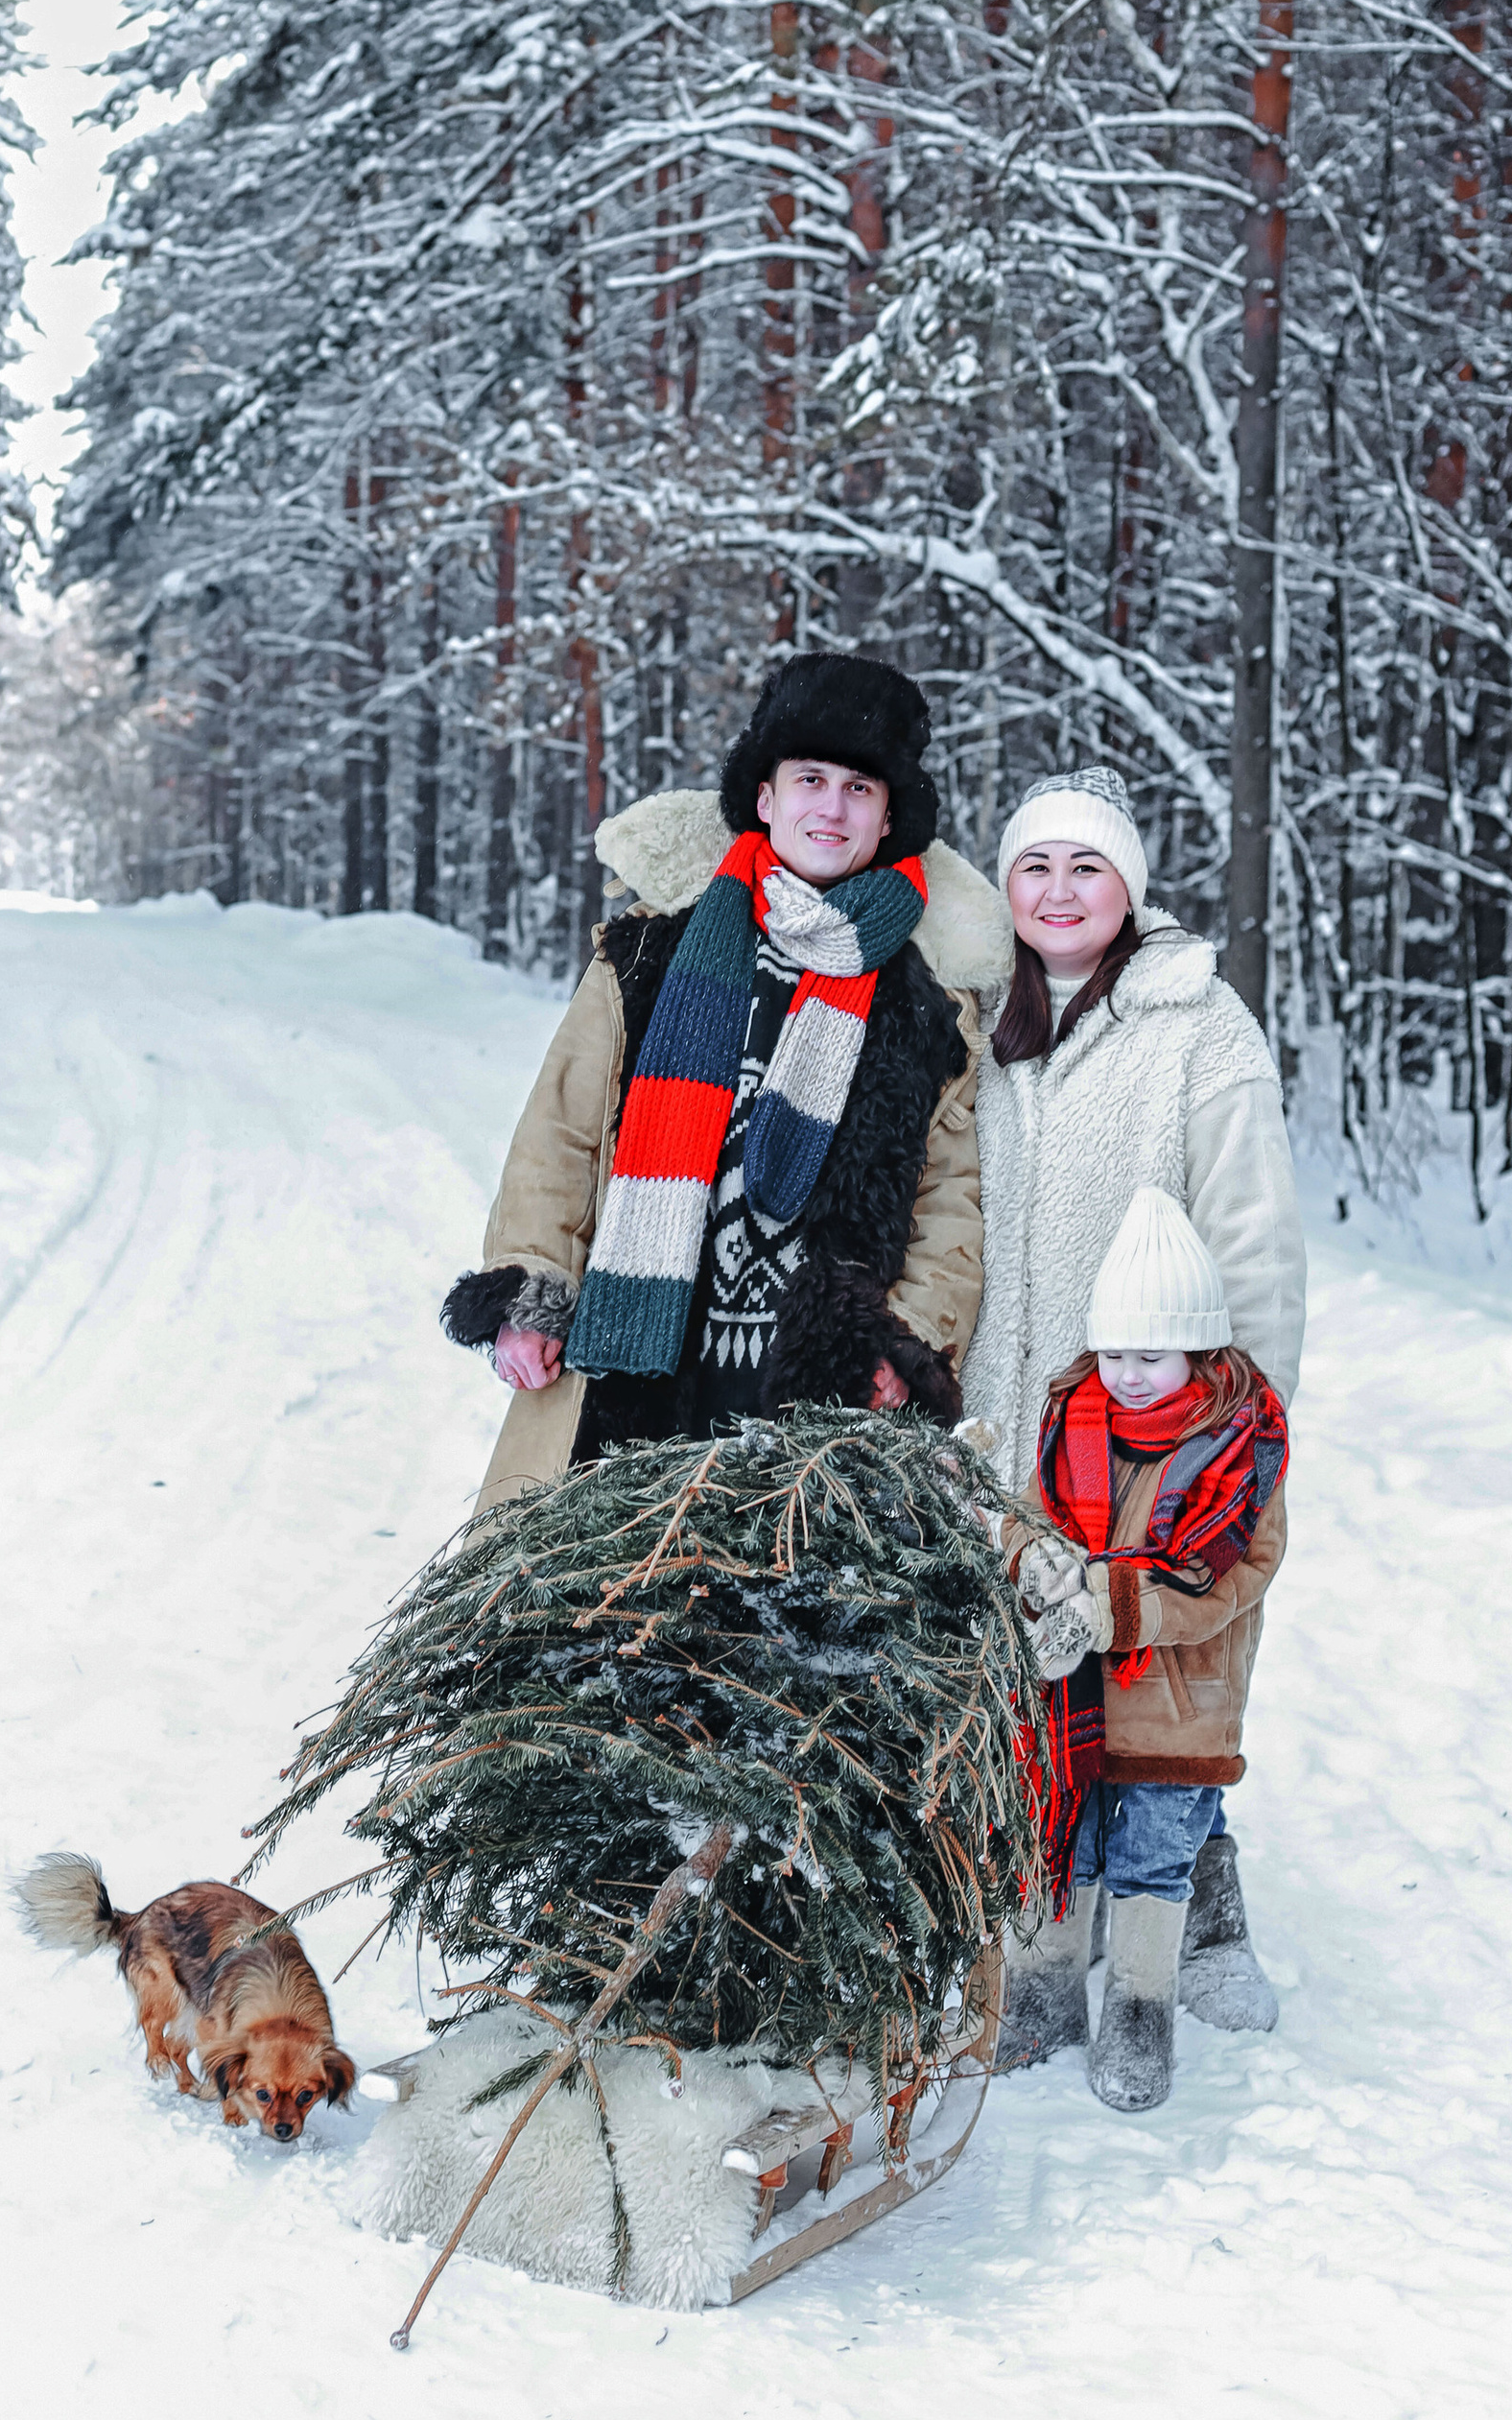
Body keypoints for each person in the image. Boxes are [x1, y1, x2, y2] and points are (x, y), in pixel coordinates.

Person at [441, 654, 1013, 1515]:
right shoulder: (649, 954)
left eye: (860, 788)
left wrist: (907, 1346)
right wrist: (529, 1281)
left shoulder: (928, 1004)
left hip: (816, 1403)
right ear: (765, 797)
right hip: (633, 1378)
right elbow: (560, 1133)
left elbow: (948, 1201)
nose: (831, 806)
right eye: (809, 778)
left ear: (889, 815)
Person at [958, 762, 1306, 2033]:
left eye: (1087, 865)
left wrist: (1247, 1422)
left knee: (1166, 1668)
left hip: (1156, 1427)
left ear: (1130, 888)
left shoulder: (1199, 1027)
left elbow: (1256, 1243)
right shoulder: (965, 1011)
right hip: (1004, 1416)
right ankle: (1038, 1916)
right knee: (1022, 1666)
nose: (1059, 890)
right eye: (1035, 865)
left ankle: (1198, 1893)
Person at [996, 1188, 1290, 2110]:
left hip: (1180, 1703)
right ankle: (1046, 1995)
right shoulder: (1072, 1421)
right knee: (1069, 1843)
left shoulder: (1238, 1450)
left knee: (1155, 1858)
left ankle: (1138, 2010)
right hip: (1078, 1701)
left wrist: (1118, 1609)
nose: (1126, 1374)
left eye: (1150, 1357)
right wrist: (1036, 1563)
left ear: (1198, 1351)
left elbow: (1231, 1582)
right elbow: (1034, 1522)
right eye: (1115, 1352)